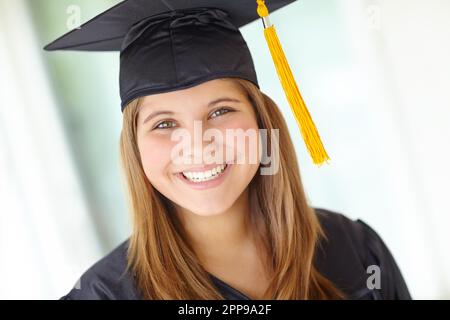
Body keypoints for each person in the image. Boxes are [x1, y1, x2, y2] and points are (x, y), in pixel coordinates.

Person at [45, 0, 412, 300]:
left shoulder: (357, 252)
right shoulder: (102, 296)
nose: (198, 142)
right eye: (164, 124)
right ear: (134, 148)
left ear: (261, 121)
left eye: (220, 111)